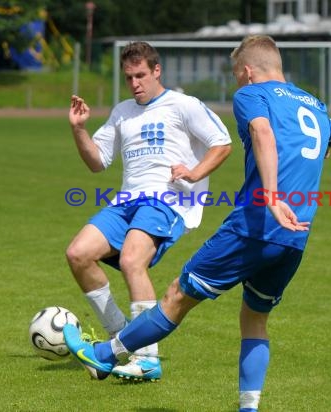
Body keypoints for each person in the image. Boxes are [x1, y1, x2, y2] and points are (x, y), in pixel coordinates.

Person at [64, 34, 331, 411]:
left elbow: (260, 132)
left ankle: (107, 354)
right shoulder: (315, 104)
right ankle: (248, 408)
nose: (236, 81)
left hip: (255, 223)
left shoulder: (250, 95)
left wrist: (274, 197)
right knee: (254, 317)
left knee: (178, 295)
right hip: (296, 233)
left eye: (235, 74)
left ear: (246, 71)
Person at [66, 41, 232, 381]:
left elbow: (223, 143)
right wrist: (79, 129)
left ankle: (146, 358)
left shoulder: (183, 104)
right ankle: (120, 335)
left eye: (141, 75)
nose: (135, 83)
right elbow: (97, 162)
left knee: (131, 260)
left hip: (166, 199)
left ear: (157, 71)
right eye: (129, 77)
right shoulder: (122, 111)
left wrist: (195, 173)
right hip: (127, 200)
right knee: (78, 253)